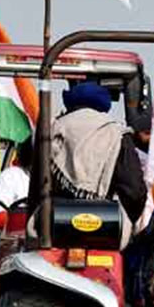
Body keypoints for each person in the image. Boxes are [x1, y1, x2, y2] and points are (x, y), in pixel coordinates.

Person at [50, 81, 147, 233]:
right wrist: (122, 221)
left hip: (52, 227)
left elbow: (37, 187)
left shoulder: (53, 128)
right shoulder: (117, 133)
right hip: (105, 229)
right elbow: (134, 192)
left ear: (70, 103)